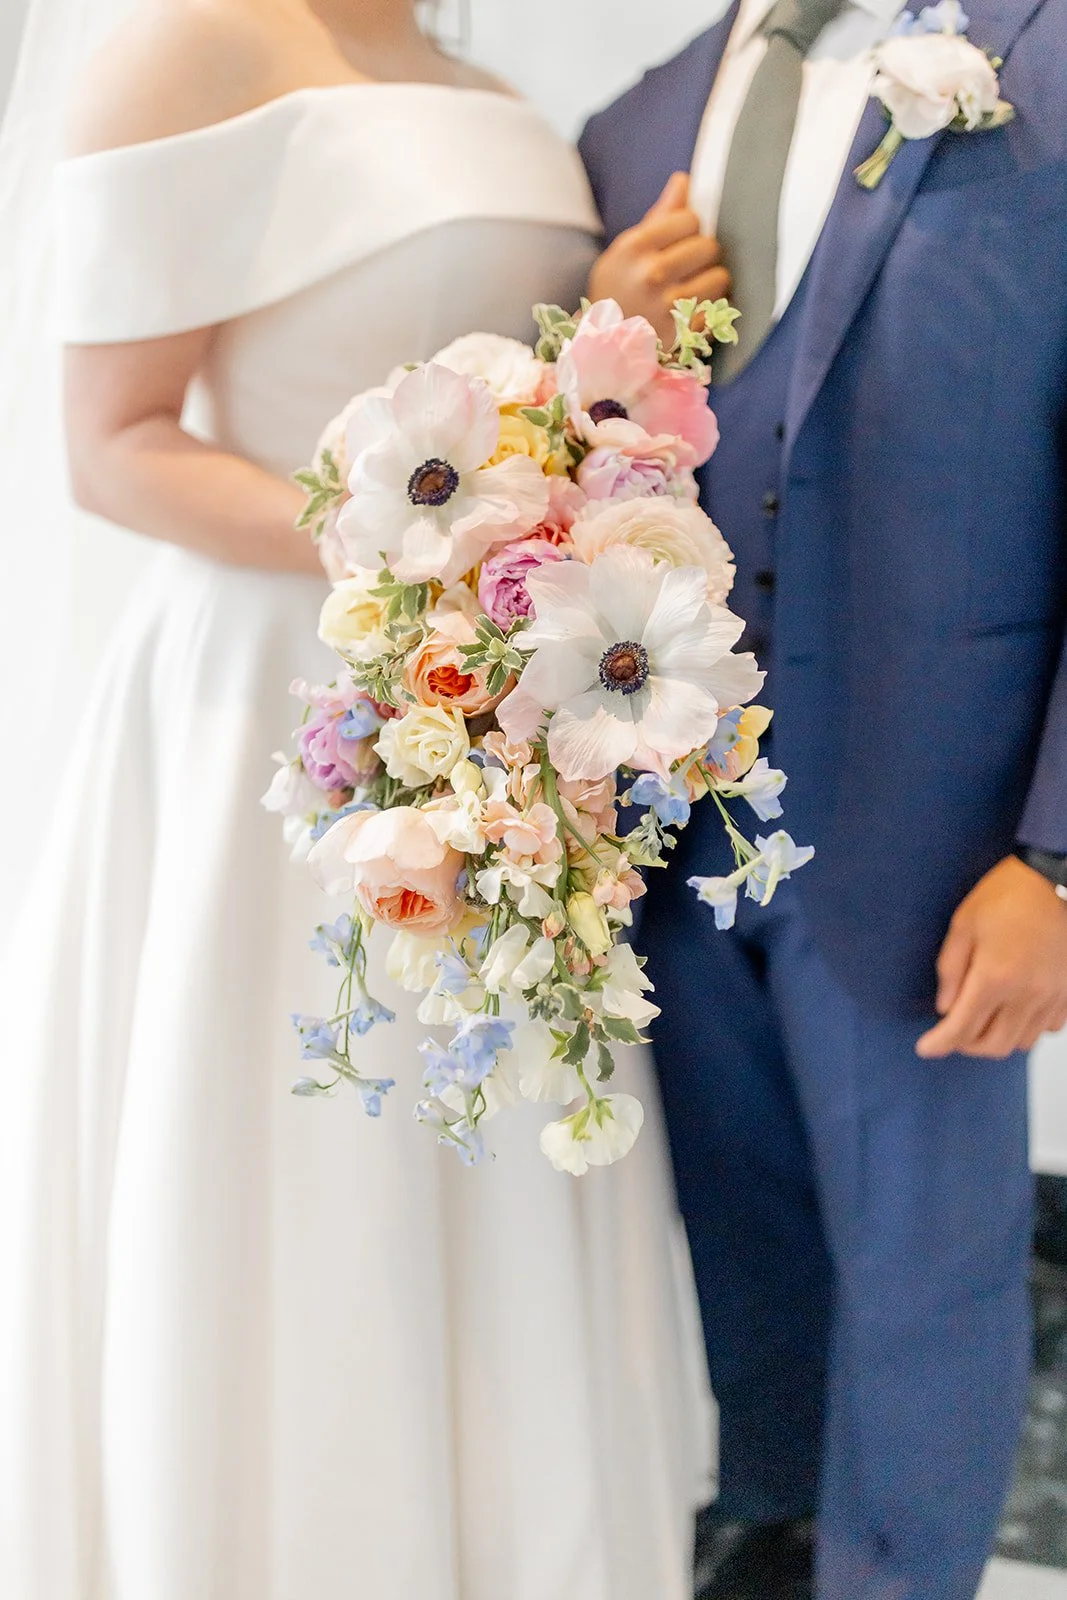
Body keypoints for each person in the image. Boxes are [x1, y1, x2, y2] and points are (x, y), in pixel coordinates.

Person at [0, 3, 711, 1596]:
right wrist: (418, 572)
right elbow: (111, 448)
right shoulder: (190, 44)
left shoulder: (489, 89)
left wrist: (593, 350)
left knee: (480, 1161)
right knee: (289, 1156)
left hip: (471, 710)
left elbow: (483, 422)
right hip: (270, 694)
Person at [580, 1, 1067, 1597]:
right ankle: (767, 1526)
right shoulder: (633, 124)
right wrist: (591, 326)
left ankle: (899, 1575)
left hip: (938, 824)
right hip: (672, 817)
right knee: (739, 1228)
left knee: (927, 1272)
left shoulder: (1043, 53)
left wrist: (1054, 860)